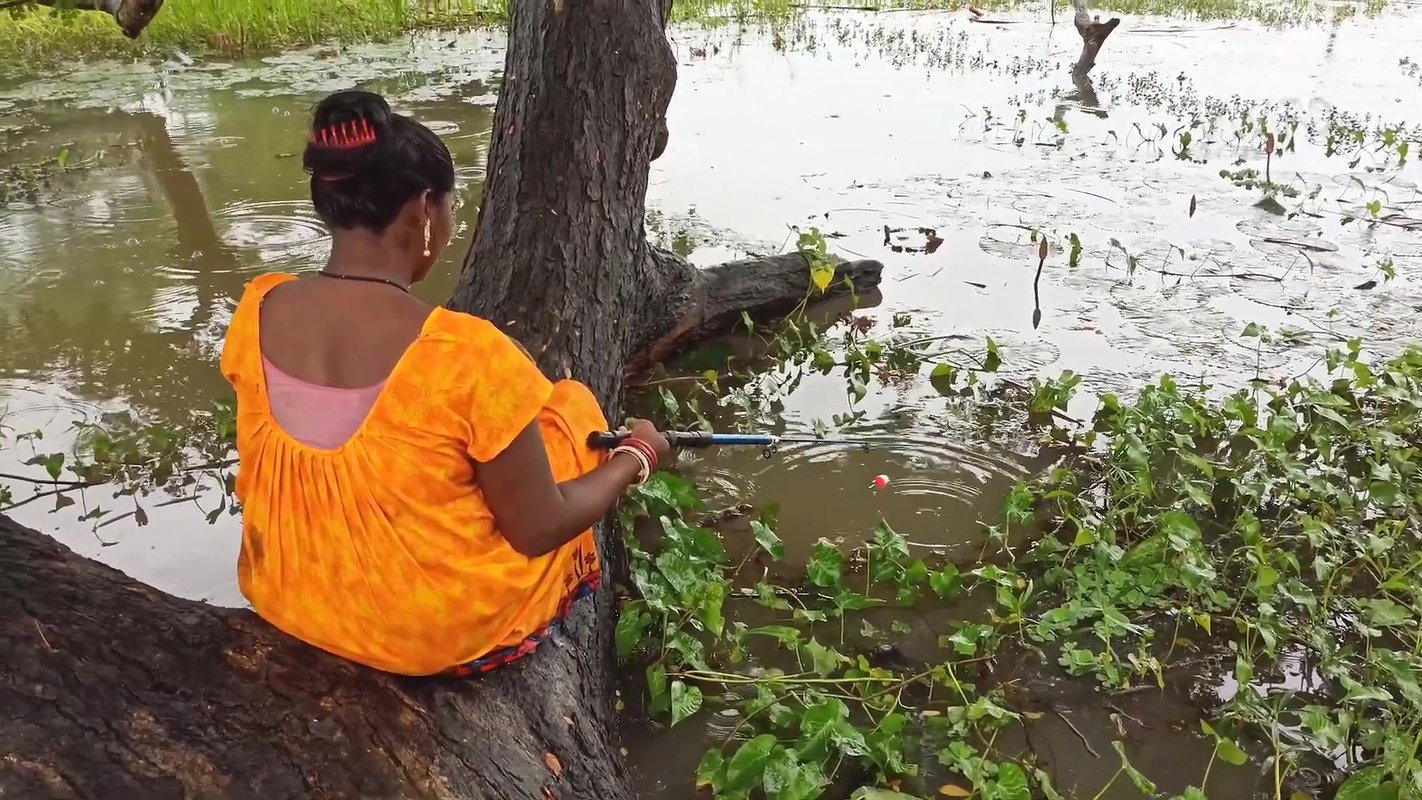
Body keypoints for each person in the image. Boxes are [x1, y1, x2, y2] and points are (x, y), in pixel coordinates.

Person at [219, 89, 671, 677]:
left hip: (286, 590)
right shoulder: (464, 353)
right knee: (572, 411)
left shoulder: (259, 307)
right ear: (423, 210)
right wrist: (634, 457)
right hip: (420, 631)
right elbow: (538, 529)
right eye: (451, 210)